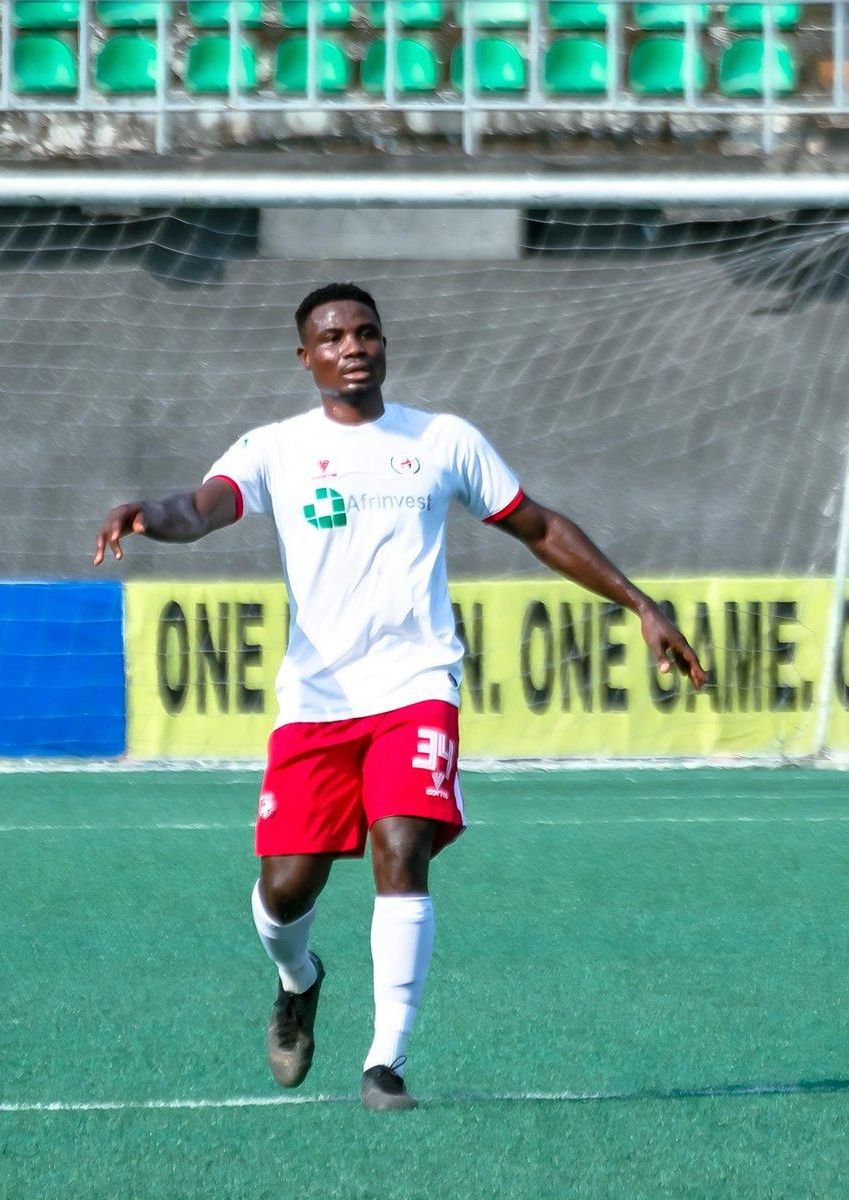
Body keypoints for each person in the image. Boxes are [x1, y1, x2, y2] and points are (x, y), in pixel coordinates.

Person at [93, 282, 706, 1112]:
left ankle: (385, 1062)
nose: (352, 346)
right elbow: (201, 508)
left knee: (401, 842)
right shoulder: (273, 448)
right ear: (305, 357)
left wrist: (641, 604)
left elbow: (538, 526)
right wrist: (146, 515)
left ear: (384, 344)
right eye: (332, 337)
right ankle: (298, 980)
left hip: (418, 683)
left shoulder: (444, 439)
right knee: (286, 889)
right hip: (317, 699)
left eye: (366, 332)